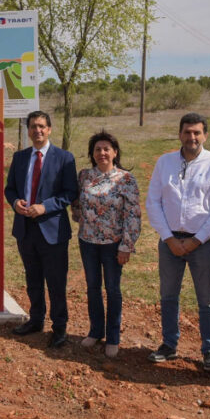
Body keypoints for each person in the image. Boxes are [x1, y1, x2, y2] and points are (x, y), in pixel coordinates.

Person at [146, 112, 210, 371]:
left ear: (205, 135)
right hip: (170, 241)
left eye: (197, 132)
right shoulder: (165, 162)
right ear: (179, 134)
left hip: (202, 243)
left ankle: (209, 350)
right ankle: (169, 345)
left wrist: (196, 240)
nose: (191, 137)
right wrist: (169, 238)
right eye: (187, 132)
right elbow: (153, 202)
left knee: (207, 299)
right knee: (168, 295)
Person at [4, 110, 78, 348]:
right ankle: (36, 320)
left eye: (42, 126)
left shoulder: (64, 158)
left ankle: (59, 327)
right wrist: (16, 203)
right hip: (25, 230)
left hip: (52, 230)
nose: (37, 130)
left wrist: (44, 207)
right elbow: (10, 189)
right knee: (33, 279)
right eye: (33, 126)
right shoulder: (20, 157)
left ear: (49, 129)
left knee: (56, 282)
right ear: (28, 130)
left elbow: (69, 193)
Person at [71, 131, 141, 358]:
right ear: (92, 154)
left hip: (114, 244)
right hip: (88, 242)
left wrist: (127, 246)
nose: (102, 153)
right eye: (97, 149)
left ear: (115, 152)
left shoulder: (126, 179)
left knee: (112, 289)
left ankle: (113, 337)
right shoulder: (84, 176)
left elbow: (133, 214)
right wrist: (79, 216)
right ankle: (95, 331)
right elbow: (76, 203)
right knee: (92, 287)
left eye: (106, 149)